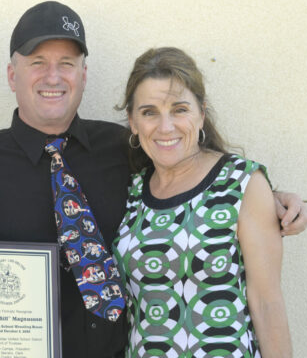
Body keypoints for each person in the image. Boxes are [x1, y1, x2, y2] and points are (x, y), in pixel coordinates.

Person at [0, 1, 307, 358]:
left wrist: (268, 197)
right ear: (11, 74)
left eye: (66, 63)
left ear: (83, 75)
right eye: (38, 63)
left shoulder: (128, 151)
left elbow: (196, 184)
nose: (53, 76)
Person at [113, 47, 292, 357]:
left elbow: (267, 304)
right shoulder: (131, 190)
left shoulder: (240, 183)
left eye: (179, 109)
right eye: (149, 112)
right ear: (132, 121)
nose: (165, 126)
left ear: (202, 113)